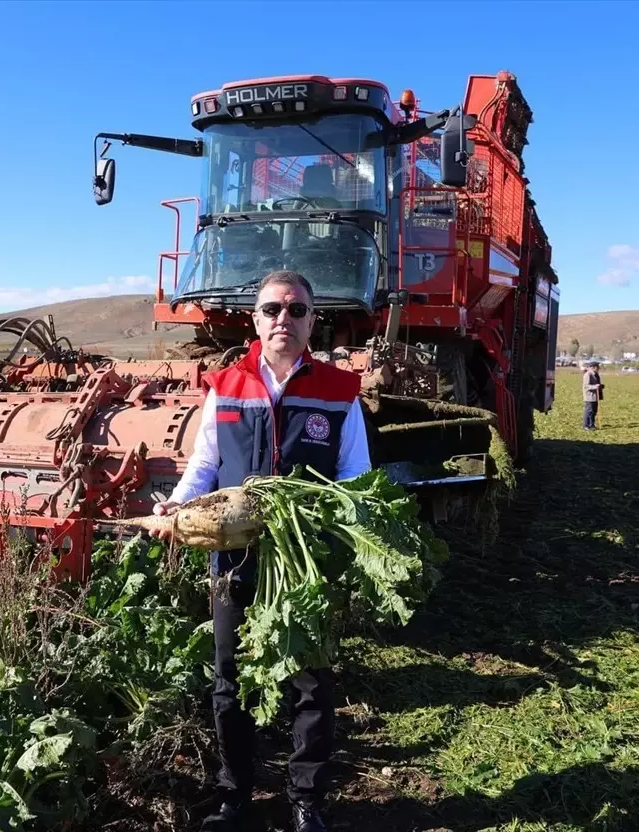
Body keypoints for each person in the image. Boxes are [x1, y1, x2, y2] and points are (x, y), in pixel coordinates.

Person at [153, 270, 371, 832]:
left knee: (311, 682)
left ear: (312, 322)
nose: (284, 319)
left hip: (302, 562)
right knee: (231, 679)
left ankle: (306, 800)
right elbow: (204, 464)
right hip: (234, 560)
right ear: (255, 318)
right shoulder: (224, 385)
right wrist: (176, 508)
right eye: (273, 309)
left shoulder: (340, 391)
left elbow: (355, 477)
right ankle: (236, 797)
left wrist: (333, 536)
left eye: (297, 310)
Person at [582, 361, 604, 430]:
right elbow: (586, 386)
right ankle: (586, 425)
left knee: (594, 411)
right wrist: (595, 386)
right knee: (589, 411)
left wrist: (600, 386)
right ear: (593, 367)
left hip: (595, 396)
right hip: (589, 396)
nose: (599, 368)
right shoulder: (587, 375)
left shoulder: (596, 374)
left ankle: (592, 425)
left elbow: (597, 384)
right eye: (597, 367)